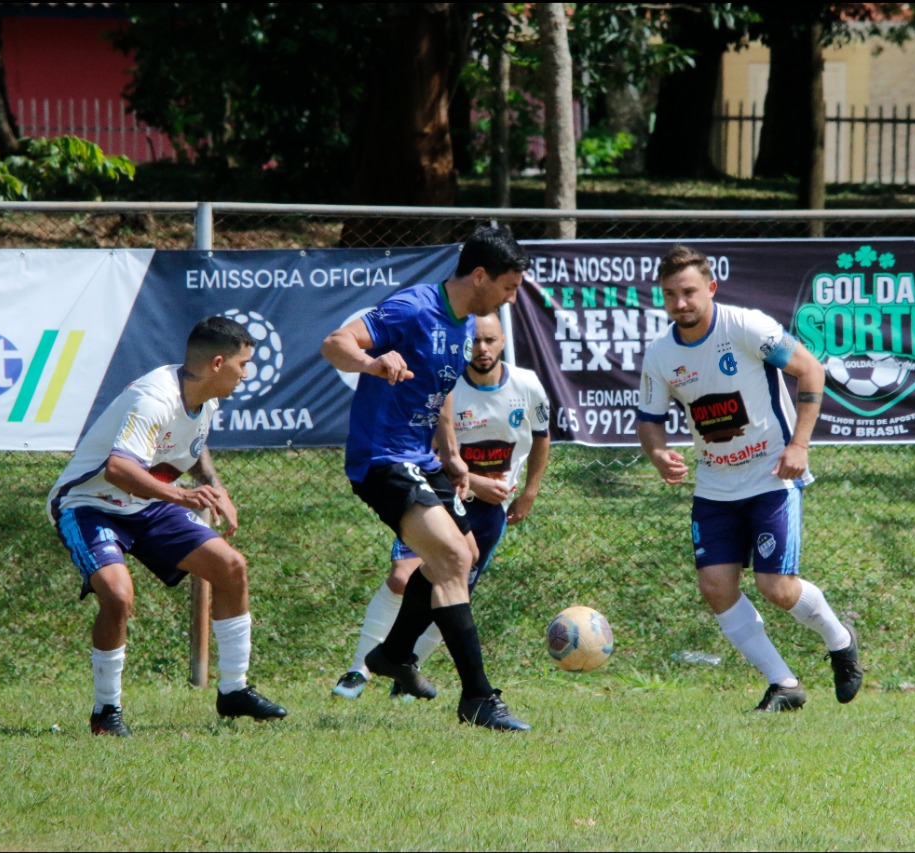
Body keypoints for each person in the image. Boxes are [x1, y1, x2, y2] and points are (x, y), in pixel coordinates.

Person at [320, 225, 533, 731]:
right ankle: (478, 697)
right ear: (479, 276)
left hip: (423, 458)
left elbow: (439, 389)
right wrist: (373, 361)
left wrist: (452, 454)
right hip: (382, 459)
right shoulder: (414, 308)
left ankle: (394, 652)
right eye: (508, 288)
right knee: (453, 557)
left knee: (465, 554)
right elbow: (335, 343)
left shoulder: (463, 322)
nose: (511, 299)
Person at [636, 245, 863, 712]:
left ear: (711, 288)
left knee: (777, 588)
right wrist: (658, 452)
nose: (680, 303)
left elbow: (810, 369)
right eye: (670, 295)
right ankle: (784, 683)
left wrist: (799, 445)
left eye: (689, 292)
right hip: (714, 486)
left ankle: (840, 641)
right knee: (716, 586)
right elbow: (649, 418)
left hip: (770, 478)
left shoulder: (745, 327)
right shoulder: (660, 355)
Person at [48, 316, 288, 736]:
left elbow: (191, 445)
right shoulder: (153, 398)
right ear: (217, 363)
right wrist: (182, 495)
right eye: (242, 364)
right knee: (118, 597)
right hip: (91, 505)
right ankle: (107, 711)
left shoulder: (206, 396)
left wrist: (215, 486)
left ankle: (233, 691)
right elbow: (120, 468)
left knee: (231, 567)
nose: (246, 373)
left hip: (147, 504)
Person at [331, 312, 551, 700]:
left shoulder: (526, 384)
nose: (482, 349)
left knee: (455, 582)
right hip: (436, 490)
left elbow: (541, 435)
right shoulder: (446, 382)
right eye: (476, 341)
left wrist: (529, 491)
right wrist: (473, 481)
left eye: (491, 341)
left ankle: (405, 669)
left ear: (504, 341)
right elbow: (424, 450)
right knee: (403, 575)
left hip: (487, 509)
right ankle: (359, 669)